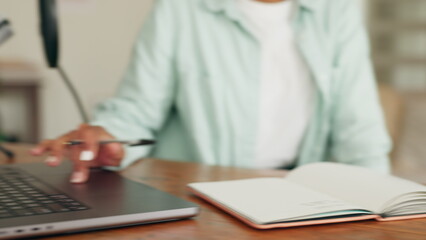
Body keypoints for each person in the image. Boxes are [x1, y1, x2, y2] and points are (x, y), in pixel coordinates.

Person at [31, 0, 392, 183]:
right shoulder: (180, 8)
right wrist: (108, 138)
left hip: (298, 194)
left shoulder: (339, 10)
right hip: (199, 192)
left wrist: (383, 200)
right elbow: (137, 110)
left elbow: (359, 132)